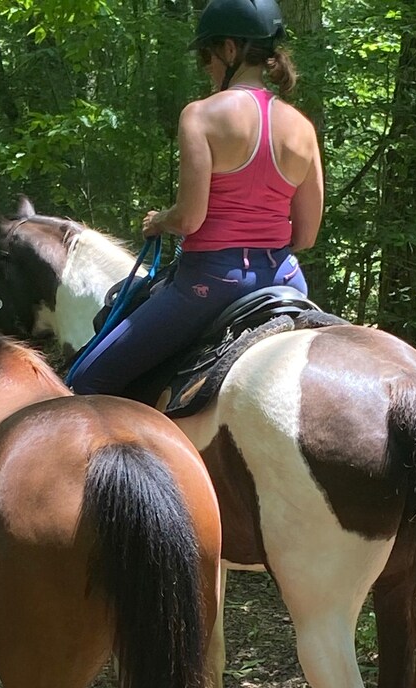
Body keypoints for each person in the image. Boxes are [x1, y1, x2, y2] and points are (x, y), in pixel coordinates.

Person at [70, 0, 324, 396]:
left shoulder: (201, 116)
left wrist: (160, 221)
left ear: (228, 49)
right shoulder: (302, 128)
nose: (207, 67)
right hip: (287, 280)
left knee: (88, 380)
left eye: (207, 56)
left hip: (211, 282)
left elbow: (190, 219)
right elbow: (306, 236)